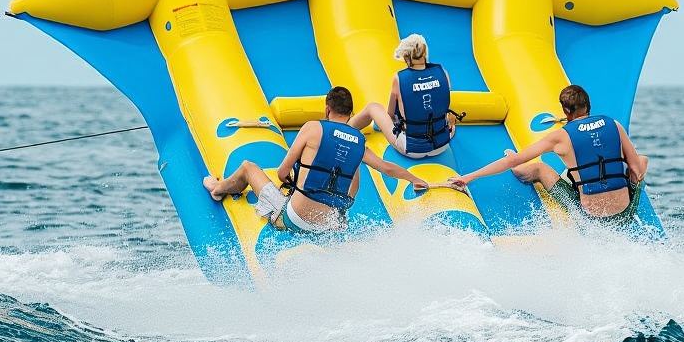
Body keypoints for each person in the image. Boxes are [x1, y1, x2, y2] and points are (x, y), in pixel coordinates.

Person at [204, 86, 429, 233]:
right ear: (351, 113)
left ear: (327, 109)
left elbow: (282, 172)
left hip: (296, 219)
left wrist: (293, 184)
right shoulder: (359, 141)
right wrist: (415, 179)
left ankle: (218, 188)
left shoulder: (313, 128)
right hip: (332, 226)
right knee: (351, 169)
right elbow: (387, 168)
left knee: (248, 167)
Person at [447, 84, 650, 224]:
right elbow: (635, 168)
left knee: (537, 168)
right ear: (588, 105)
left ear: (565, 110)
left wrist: (469, 177)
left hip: (591, 218)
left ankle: (519, 166)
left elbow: (516, 160)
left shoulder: (560, 137)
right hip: (625, 213)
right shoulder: (613, 124)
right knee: (642, 159)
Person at [348, 34, 460, 159]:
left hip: (411, 148)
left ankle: (344, 129)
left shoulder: (399, 78)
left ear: (406, 56)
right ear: (424, 52)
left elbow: (390, 114)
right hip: (442, 145)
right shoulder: (443, 72)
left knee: (373, 107)